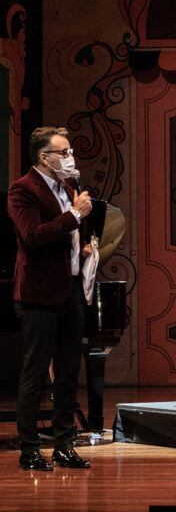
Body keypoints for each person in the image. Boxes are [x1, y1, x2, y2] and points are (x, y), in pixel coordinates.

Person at [8, 126, 94, 470]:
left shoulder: (67, 188)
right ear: (45, 157)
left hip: (69, 289)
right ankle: (29, 448)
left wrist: (82, 247)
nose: (70, 157)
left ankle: (64, 444)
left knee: (69, 371)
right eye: (64, 152)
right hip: (39, 293)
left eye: (70, 151)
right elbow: (33, 236)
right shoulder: (22, 189)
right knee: (35, 373)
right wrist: (75, 215)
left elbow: (66, 236)